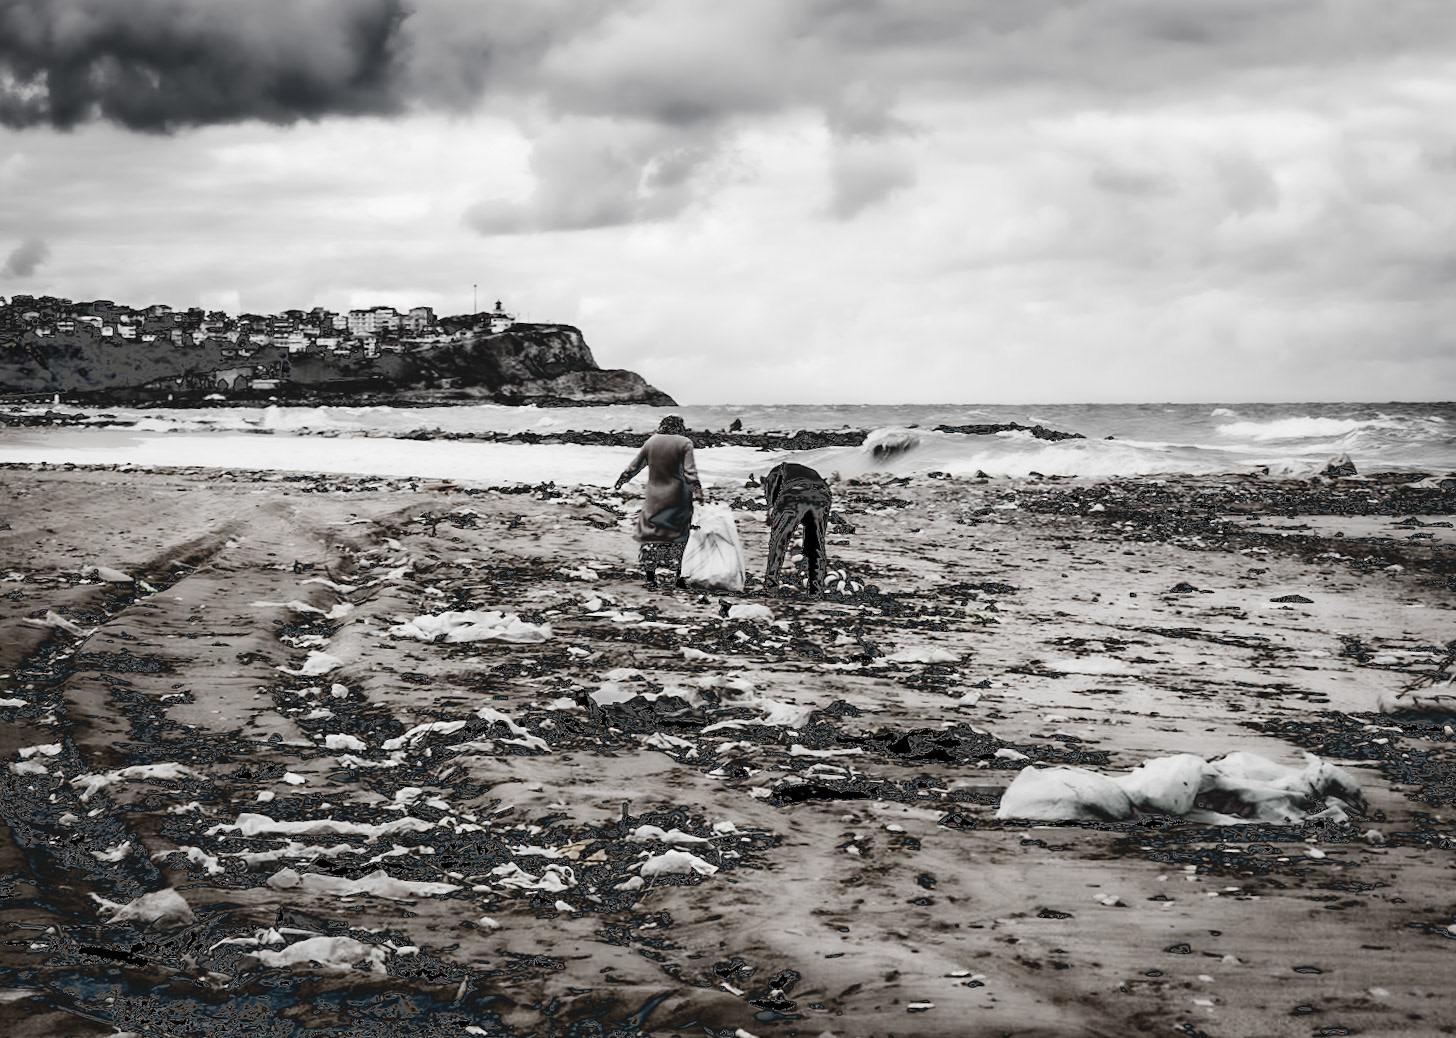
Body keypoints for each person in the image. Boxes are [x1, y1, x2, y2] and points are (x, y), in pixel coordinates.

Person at [615, 415, 704, 588]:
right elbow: (689, 471)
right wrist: (697, 490)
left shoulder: (652, 441)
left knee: (651, 535)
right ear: (680, 427)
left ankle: (650, 578)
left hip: (654, 497)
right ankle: (678, 578)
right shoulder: (685, 443)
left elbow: (635, 465)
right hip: (679, 497)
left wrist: (622, 479)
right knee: (679, 536)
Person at [762, 460, 831, 595]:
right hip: (822, 495)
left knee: (778, 541)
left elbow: (772, 486)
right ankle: (816, 590)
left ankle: (770, 586)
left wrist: (770, 507)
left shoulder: (778, 469)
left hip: (794, 494)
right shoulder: (806, 472)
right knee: (816, 543)